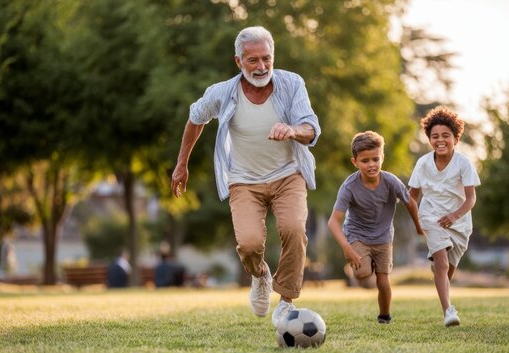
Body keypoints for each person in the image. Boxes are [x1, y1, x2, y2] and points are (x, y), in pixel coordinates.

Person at [171, 26, 320, 327]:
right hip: (243, 179)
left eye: (267, 58)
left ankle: (287, 300)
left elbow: (311, 127)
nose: (262, 66)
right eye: (253, 60)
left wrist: (292, 129)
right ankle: (261, 275)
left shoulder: (292, 84)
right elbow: (195, 119)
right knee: (250, 244)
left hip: (288, 175)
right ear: (238, 62)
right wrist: (181, 164)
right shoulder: (222, 92)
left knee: (293, 229)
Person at [327, 131, 423, 324]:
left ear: (382, 157)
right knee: (362, 274)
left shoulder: (391, 182)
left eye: (375, 159)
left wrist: (419, 228)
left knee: (383, 279)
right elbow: (333, 221)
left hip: (383, 237)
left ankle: (384, 316)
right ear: (355, 162)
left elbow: (410, 202)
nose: (371, 164)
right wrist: (347, 248)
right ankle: (363, 261)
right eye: (365, 161)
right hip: (357, 235)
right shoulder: (349, 187)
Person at [408, 106, 480, 327]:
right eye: (435, 136)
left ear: (455, 138)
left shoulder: (464, 163)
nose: (440, 140)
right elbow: (411, 197)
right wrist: (419, 224)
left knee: (447, 269)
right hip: (431, 216)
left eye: (445, 135)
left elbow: (471, 199)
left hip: (460, 223)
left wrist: (455, 215)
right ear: (429, 139)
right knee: (441, 261)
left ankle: (439, 272)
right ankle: (448, 311)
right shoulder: (422, 164)